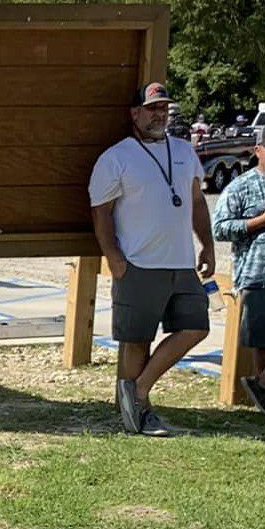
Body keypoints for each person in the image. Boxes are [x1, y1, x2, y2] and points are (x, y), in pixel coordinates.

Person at [89, 82, 215, 436]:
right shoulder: (116, 157)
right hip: (138, 264)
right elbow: (100, 213)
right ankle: (138, 415)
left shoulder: (184, 151)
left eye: (164, 108)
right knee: (137, 339)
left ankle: (139, 390)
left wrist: (207, 245)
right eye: (152, 108)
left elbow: (197, 202)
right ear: (135, 113)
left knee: (197, 327)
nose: (160, 114)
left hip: (182, 263)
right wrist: (114, 257)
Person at [213, 122, 265, 420]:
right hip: (258, 275)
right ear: (257, 150)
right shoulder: (240, 186)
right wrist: (261, 220)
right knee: (264, 345)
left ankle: (263, 386)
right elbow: (220, 229)